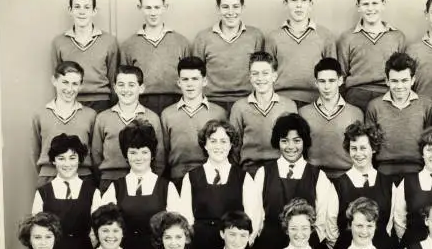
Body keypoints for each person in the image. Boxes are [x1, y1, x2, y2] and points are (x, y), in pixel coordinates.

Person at [250, 113, 334, 249]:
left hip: (306, 248)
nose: (290, 147)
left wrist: (310, 245)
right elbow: (256, 216)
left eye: (296, 141)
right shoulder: (263, 173)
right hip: (269, 248)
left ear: (304, 142)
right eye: (285, 141)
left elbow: (321, 220)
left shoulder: (318, 176)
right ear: (278, 142)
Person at [177, 119, 258, 249]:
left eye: (223, 141)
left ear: (231, 144)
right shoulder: (191, 177)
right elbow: (185, 218)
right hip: (199, 248)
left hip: (233, 247)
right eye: (213, 141)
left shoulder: (243, 178)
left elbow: (254, 215)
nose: (218, 146)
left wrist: (242, 245)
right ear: (205, 145)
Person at [101, 119, 180, 249]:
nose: (139, 158)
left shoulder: (167, 187)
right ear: (126, 155)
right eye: (133, 152)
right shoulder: (115, 188)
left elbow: (177, 229)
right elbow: (104, 226)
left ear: (153, 154)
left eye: (144, 152)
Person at [191, 0, 265, 114]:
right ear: (218, 8)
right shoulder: (203, 38)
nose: (231, 12)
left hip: (247, 102)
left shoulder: (255, 36)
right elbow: (195, 75)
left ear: (242, 7)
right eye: (225, 7)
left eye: (235, 6)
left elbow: (262, 71)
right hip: (211, 102)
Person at [121, 0, 192, 115]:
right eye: (148, 8)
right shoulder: (129, 45)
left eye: (157, 7)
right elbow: (123, 82)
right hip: (141, 103)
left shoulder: (181, 42)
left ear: (165, 7)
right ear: (139, 7)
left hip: (176, 102)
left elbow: (190, 78)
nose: (153, 13)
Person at [265, 0, 337, 109]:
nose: (299, 5)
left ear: (310, 4)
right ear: (285, 3)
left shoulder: (325, 36)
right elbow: (267, 74)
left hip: (316, 100)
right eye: (294, 0)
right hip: (281, 100)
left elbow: (332, 73)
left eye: (304, 0)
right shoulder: (273, 37)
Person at [92, 65, 166, 191]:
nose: (126, 89)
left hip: (143, 180)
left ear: (141, 88)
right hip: (110, 180)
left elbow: (159, 156)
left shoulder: (152, 118)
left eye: (131, 85)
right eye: (121, 85)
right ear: (115, 88)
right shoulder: (103, 118)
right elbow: (96, 154)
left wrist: (150, 177)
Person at [365, 51, 432, 182]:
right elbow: (371, 145)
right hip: (384, 169)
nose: (399, 86)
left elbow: (430, 143)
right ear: (387, 81)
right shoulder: (374, 106)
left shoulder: (426, 104)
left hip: (417, 169)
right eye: (394, 81)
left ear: (413, 80)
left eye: (404, 80)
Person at [326, 121, 395, 249]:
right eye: (354, 148)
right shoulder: (338, 185)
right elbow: (331, 225)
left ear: (373, 149)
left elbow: (390, 225)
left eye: (363, 148)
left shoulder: (388, 183)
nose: (358, 153)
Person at [31, 134, 101, 249]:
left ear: (79, 159)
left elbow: (97, 229)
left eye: (72, 158)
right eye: (61, 158)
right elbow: (37, 229)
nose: (67, 164)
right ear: (53, 161)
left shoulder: (92, 192)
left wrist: (87, 248)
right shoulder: (43, 193)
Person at [337, 0, 406, 112]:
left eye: (375, 3)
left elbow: (403, 72)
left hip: (387, 93)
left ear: (383, 4)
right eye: (365, 4)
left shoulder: (397, 36)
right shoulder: (347, 38)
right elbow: (341, 76)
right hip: (356, 95)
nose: (370, 8)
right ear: (358, 6)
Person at [161, 57, 228, 189]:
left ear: (204, 81)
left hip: (211, 178)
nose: (189, 84)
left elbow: (228, 149)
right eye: (185, 79)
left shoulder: (219, 113)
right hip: (178, 178)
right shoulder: (167, 114)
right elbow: (163, 153)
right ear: (178, 82)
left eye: (195, 79)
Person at [229, 51, 299, 175]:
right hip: (249, 170)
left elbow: (294, 143)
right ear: (250, 77)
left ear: (274, 76)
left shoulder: (288, 106)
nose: (260, 78)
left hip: (280, 170)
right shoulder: (239, 107)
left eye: (265, 73)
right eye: (255, 74)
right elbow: (234, 146)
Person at [51, 0, 119, 113]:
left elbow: (114, 78)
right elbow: (57, 81)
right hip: (70, 101)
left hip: (102, 103)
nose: (82, 12)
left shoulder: (109, 41)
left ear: (94, 11)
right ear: (70, 10)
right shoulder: (59, 42)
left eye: (87, 7)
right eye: (77, 7)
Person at [31, 61, 97, 188]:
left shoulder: (90, 115)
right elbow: (34, 151)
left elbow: (95, 152)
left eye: (75, 84)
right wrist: (47, 172)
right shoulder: (40, 114)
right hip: (49, 178)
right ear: (54, 81)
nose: (69, 89)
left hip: (83, 177)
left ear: (81, 86)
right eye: (65, 82)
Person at [298, 58, 364, 179]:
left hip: (347, 177)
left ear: (340, 80)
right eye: (322, 81)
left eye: (331, 81)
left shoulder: (356, 113)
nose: (327, 86)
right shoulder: (303, 113)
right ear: (316, 83)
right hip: (313, 177)